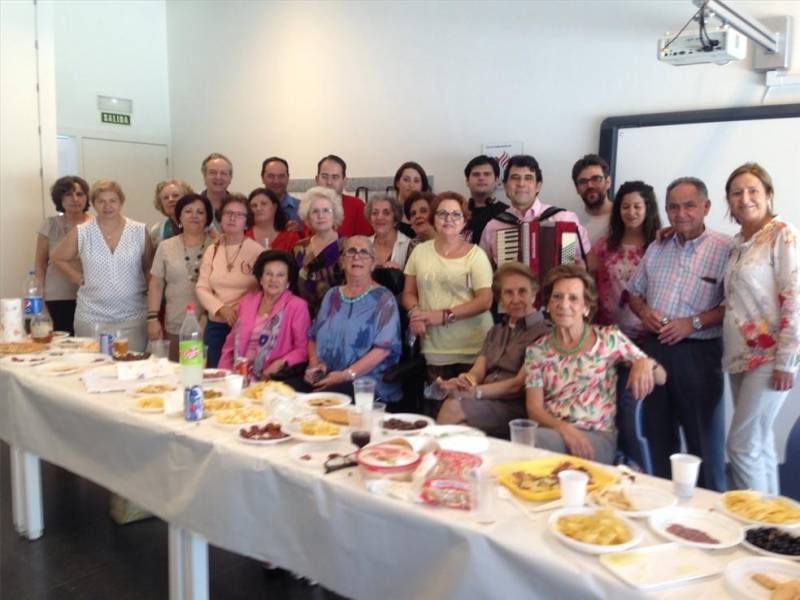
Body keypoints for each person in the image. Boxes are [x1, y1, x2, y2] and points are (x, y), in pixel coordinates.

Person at [628, 177, 734, 491]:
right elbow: (634, 293)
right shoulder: (657, 246)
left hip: (699, 354)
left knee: (704, 442)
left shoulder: (727, 248)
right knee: (657, 436)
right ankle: (662, 507)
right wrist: (644, 312)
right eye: (673, 206)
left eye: (689, 205)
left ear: (706, 207)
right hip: (655, 351)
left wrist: (695, 322)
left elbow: (736, 305)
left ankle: (711, 517)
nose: (681, 213)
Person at [524, 264, 666, 464]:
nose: (563, 304)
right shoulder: (536, 351)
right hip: (555, 431)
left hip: (597, 437)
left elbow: (662, 378)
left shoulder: (609, 339)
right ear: (547, 303)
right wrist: (565, 429)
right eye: (557, 296)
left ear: (586, 307)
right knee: (524, 440)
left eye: (573, 298)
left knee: (528, 442)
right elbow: (534, 409)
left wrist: (646, 362)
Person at [722, 163, 799, 494]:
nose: (744, 197)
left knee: (741, 446)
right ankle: (772, 527)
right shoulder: (739, 242)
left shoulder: (782, 233)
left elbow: (794, 298)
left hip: (768, 358)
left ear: (768, 194)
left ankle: (754, 526)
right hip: (739, 356)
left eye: (752, 190)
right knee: (759, 443)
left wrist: (787, 361)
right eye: (736, 192)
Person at [402, 191, 494, 413]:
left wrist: (445, 315)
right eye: (443, 213)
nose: (449, 219)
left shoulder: (476, 254)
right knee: (438, 411)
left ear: (464, 220)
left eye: (456, 214)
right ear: (434, 218)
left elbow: (485, 300)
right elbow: (408, 293)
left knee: (469, 414)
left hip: (474, 346)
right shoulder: (419, 252)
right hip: (435, 346)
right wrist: (416, 313)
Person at [436, 262, 550, 437]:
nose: (516, 299)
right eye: (508, 293)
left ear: (534, 294)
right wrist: (463, 382)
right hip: (484, 401)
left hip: (515, 407)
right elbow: (478, 371)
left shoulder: (544, 332)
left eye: (522, 291)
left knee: (452, 407)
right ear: (501, 299)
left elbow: (517, 386)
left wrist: (474, 393)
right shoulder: (496, 331)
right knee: (461, 429)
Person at [52, 179, 153, 351]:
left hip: (132, 315)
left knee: (131, 368)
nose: (107, 206)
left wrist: (153, 312)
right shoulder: (83, 231)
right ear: (93, 204)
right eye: (101, 201)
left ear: (121, 202)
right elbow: (57, 257)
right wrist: (78, 277)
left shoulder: (139, 230)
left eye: (112, 200)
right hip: (91, 317)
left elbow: (148, 269)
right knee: (93, 369)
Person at [298, 236, 402, 402]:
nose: (356, 257)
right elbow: (313, 337)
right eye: (351, 251)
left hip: (364, 381)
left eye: (364, 252)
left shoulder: (384, 299)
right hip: (327, 374)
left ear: (373, 263)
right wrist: (314, 364)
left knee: (315, 403)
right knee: (285, 394)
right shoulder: (332, 295)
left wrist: (347, 375)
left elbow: (383, 349)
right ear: (341, 261)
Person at [480, 155, 590, 267]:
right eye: (515, 177)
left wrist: (580, 267)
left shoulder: (565, 219)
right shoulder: (493, 226)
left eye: (528, 178)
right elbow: (484, 272)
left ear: (538, 186)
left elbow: (581, 264)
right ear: (506, 186)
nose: (521, 184)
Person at [588, 181, 661, 342]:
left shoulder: (659, 246)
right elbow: (589, 283)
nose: (631, 212)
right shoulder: (603, 246)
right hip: (607, 332)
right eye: (625, 206)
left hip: (648, 334)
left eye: (637, 206)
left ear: (647, 208)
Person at [218, 250, 310, 379]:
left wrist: (281, 363)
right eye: (269, 274)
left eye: (280, 275)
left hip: (272, 376)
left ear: (288, 282)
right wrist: (223, 375)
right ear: (261, 278)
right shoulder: (247, 302)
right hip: (238, 373)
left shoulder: (297, 306)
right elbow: (230, 344)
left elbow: (303, 349)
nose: (273, 280)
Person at [196, 194, 263, 367]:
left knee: (242, 375)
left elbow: (264, 290)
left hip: (246, 325)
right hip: (216, 324)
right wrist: (221, 309)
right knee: (213, 374)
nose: (232, 218)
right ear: (220, 217)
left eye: (239, 214)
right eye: (228, 213)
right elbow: (202, 287)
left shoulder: (258, 252)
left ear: (247, 222)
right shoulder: (213, 249)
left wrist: (241, 311)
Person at [147, 193, 213, 361]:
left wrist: (206, 316)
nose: (194, 216)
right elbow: (156, 284)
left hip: (209, 324)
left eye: (200, 212)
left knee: (202, 375)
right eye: (188, 211)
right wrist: (153, 318)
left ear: (207, 218)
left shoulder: (216, 246)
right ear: (179, 217)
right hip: (175, 323)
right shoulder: (166, 246)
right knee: (176, 375)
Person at [34, 176, 92, 335]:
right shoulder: (49, 225)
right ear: (60, 198)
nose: (75, 199)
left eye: (80, 194)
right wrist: (40, 303)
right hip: (56, 298)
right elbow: (40, 266)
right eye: (68, 194)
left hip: (89, 297)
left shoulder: (96, 224)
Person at [291, 186, 345, 316]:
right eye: (315, 211)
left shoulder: (347, 246)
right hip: (303, 313)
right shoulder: (299, 247)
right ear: (308, 218)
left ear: (335, 215)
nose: (321, 216)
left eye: (326, 210)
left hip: (338, 313)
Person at [315, 154, 372, 237]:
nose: (329, 182)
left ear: (344, 181)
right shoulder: (307, 207)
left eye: (335, 177)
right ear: (317, 179)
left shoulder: (357, 206)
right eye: (324, 177)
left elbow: (365, 243)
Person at [463, 155, 507, 245]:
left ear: (497, 180)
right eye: (476, 174)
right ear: (467, 181)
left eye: (487, 174)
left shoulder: (507, 213)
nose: (481, 178)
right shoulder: (458, 212)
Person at [572, 154, 613, 244]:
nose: (590, 185)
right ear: (577, 188)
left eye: (596, 179)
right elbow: (567, 257)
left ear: (608, 182)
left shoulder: (625, 218)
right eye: (583, 181)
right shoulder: (570, 220)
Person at [366, 194, 411, 268]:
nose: (379, 217)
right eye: (375, 213)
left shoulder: (408, 245)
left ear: (395, 220)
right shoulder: (365, 244)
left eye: (386, 213)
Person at [149, 179, 194, 247]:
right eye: (166, 198)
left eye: (175, 195)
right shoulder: (157, 231)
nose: (170, 199)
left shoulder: (201, 224)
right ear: (161, 204)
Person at [261, 156, 302, 228]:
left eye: (281, 176)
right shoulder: (250, 209)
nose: (276, 181)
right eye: (271, 176)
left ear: (288, 178)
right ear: (262, 178)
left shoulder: (303, 208)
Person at [200, 153, 233, 227]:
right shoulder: (192, 206)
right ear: (204, 176)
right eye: (212, 172)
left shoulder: (240, 207)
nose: (218, 177)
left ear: (230, 178)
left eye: (223, 173)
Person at [403, 190, 436, 256]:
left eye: (423, 211)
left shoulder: (451, 241)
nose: (417, 216)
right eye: (413, 214)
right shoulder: (413, 245)